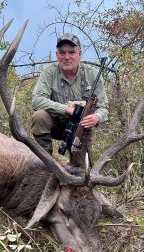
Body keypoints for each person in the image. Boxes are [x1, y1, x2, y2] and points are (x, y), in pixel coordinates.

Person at [31, 33, 109, 169]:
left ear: (79, 54)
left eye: (71, 52)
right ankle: (45, 165)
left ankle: (74, 163)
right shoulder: (49, 73)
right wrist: (67, 110)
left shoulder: (93, 74)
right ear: (57, 55)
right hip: (56, 124)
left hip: (81, 128)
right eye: (62, 53)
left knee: (82, 172)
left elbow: (104, 108)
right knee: (39, 116)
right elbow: (37, 101)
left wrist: (97, 117)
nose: (67, 57)